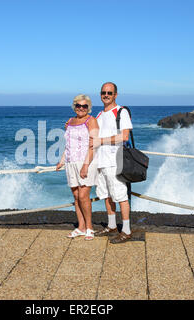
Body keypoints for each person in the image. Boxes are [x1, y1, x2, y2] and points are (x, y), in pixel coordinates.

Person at [92, 82, 133, 244]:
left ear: (115, 95)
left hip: (115, 162)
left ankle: (127, 230)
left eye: (109, 93)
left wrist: (101, 141)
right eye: (104, 92)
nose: (106, 95)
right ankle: (111, 226)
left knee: (121, 196)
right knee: (106, 195)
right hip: (100, 162)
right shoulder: (99, 115)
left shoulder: (121, 112)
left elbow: (124, 137)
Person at [56, 94, 99, 240]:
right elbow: (68, 145)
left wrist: (86, 165)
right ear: (74, 106)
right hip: (71, 163)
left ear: (89, 108)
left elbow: (93, 145)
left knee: (83, 196)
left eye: (84, 106)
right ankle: (80, 227)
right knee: (75, 196)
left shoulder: (91, 121)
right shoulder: (70, 121)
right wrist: (61, 161)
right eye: (78, 106)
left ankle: (89, 227)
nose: (81, 108)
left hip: (86, 162)